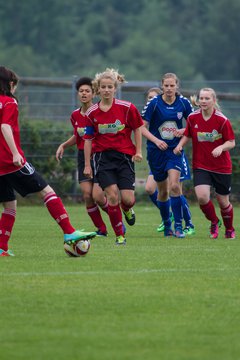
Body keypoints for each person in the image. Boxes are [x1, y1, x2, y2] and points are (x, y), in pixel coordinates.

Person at [0, 66, 96, 257]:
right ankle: (69, 232)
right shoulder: (9, 101)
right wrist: (14, 153)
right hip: (10, 161)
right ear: (10, 84)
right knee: (47, 191)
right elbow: (4, 126)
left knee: (9, 204)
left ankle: (1, 247)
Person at [83, 68, 143, 245]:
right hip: (103, 158)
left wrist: (138, 151)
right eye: (103, 87)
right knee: (112, 196)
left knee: (128, 199)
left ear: (115, 88)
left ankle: (127, 209)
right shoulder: (92, 112)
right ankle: (119, 235)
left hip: (125, 157)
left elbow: (138, 128)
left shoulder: (127, 108)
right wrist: (87, 164)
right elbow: (88, 139)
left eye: (110, 86)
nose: (107, 90)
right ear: (98, 89)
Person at [174, 88, 236, 239]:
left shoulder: (222, 120)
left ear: (214, 101)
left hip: (221, 167)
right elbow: (188, 134)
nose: (203, 101)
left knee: (223, 202)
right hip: (201, 165)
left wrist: (221, 147)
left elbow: (231, 142)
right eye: (201, 98)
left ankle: (229, 229)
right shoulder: (193, 117)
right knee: (202, 197)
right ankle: (214, 222)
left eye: (207, 98)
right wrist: (180, 145)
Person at [141, 73, 194, 238]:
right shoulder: (154, 103)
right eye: (166, 86)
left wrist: (184, 131)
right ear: (162, 86)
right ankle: (167, 225)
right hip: (156, 151)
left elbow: (195, 124)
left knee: (175, 186)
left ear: (177, 86)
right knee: (162, 192)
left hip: (174, 151)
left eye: (172, 85)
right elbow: (141, 127)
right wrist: (156, 141)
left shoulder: (183, 103)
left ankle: (179, 226)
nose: (169, 89)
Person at [56, 77, 109, 237]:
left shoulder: (99, 112)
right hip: (82, 155)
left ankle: (116, 217)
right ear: (78, 94)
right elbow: (79, 137)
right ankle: (102, 229)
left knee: (98, 197)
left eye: (87, 91)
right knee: (87, 195)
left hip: (99, 156)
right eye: (81, 91)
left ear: (94, 93)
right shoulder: (75, 115)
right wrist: (64, 145)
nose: (84, 93)